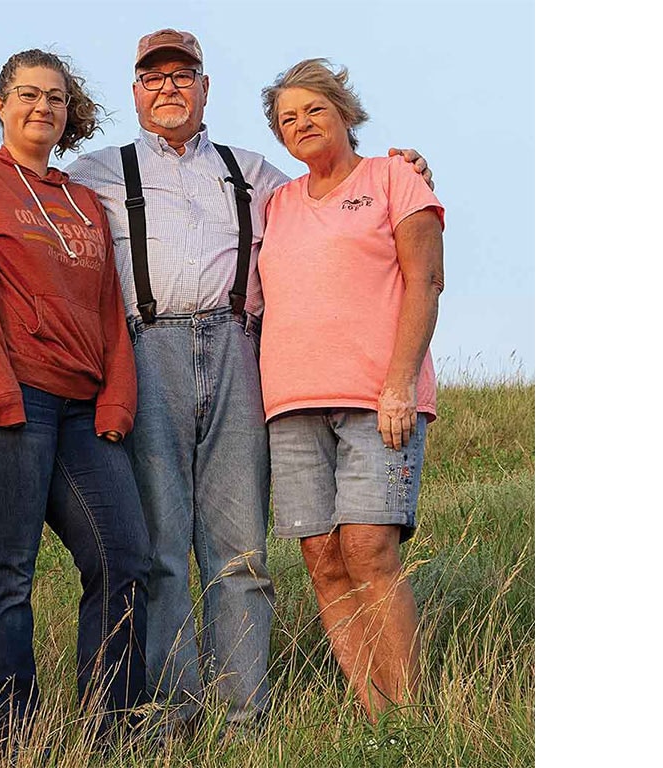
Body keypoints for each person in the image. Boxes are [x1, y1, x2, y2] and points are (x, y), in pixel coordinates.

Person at [0, 30, 433, 736]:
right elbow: (6, 198)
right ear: (134, 92)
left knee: (240, 549)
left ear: (204, 88)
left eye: (182, 77)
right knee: (156, 549)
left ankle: (241, 716)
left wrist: (398, 165)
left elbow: (332, 188)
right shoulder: (96, 173)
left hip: (238, 352)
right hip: (145, 351)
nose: (168, 89)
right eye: (153, 78)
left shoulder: (257, 174)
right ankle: (174, 713)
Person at [0, 48, 150, 758]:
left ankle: (111, 733)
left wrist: (116, 403)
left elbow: (110, 308)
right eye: (27, 94)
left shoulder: (82, 200)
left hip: (82, 407)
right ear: (0, 103)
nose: (42, 107)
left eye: (55, 97)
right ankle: (17, 745)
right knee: (7, 570)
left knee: (125, 560)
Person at [257, 57, 444, 720]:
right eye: (287, 118)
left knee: (368, 547)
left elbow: (424, 281)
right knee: (323, 558)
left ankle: (406, 719)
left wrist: (399, 384)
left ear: (346, 113)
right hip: (290, 405)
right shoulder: (277, 203)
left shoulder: (394, 177)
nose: (301, 123)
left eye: (314, 109)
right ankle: (375, 718)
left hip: (376, 397)